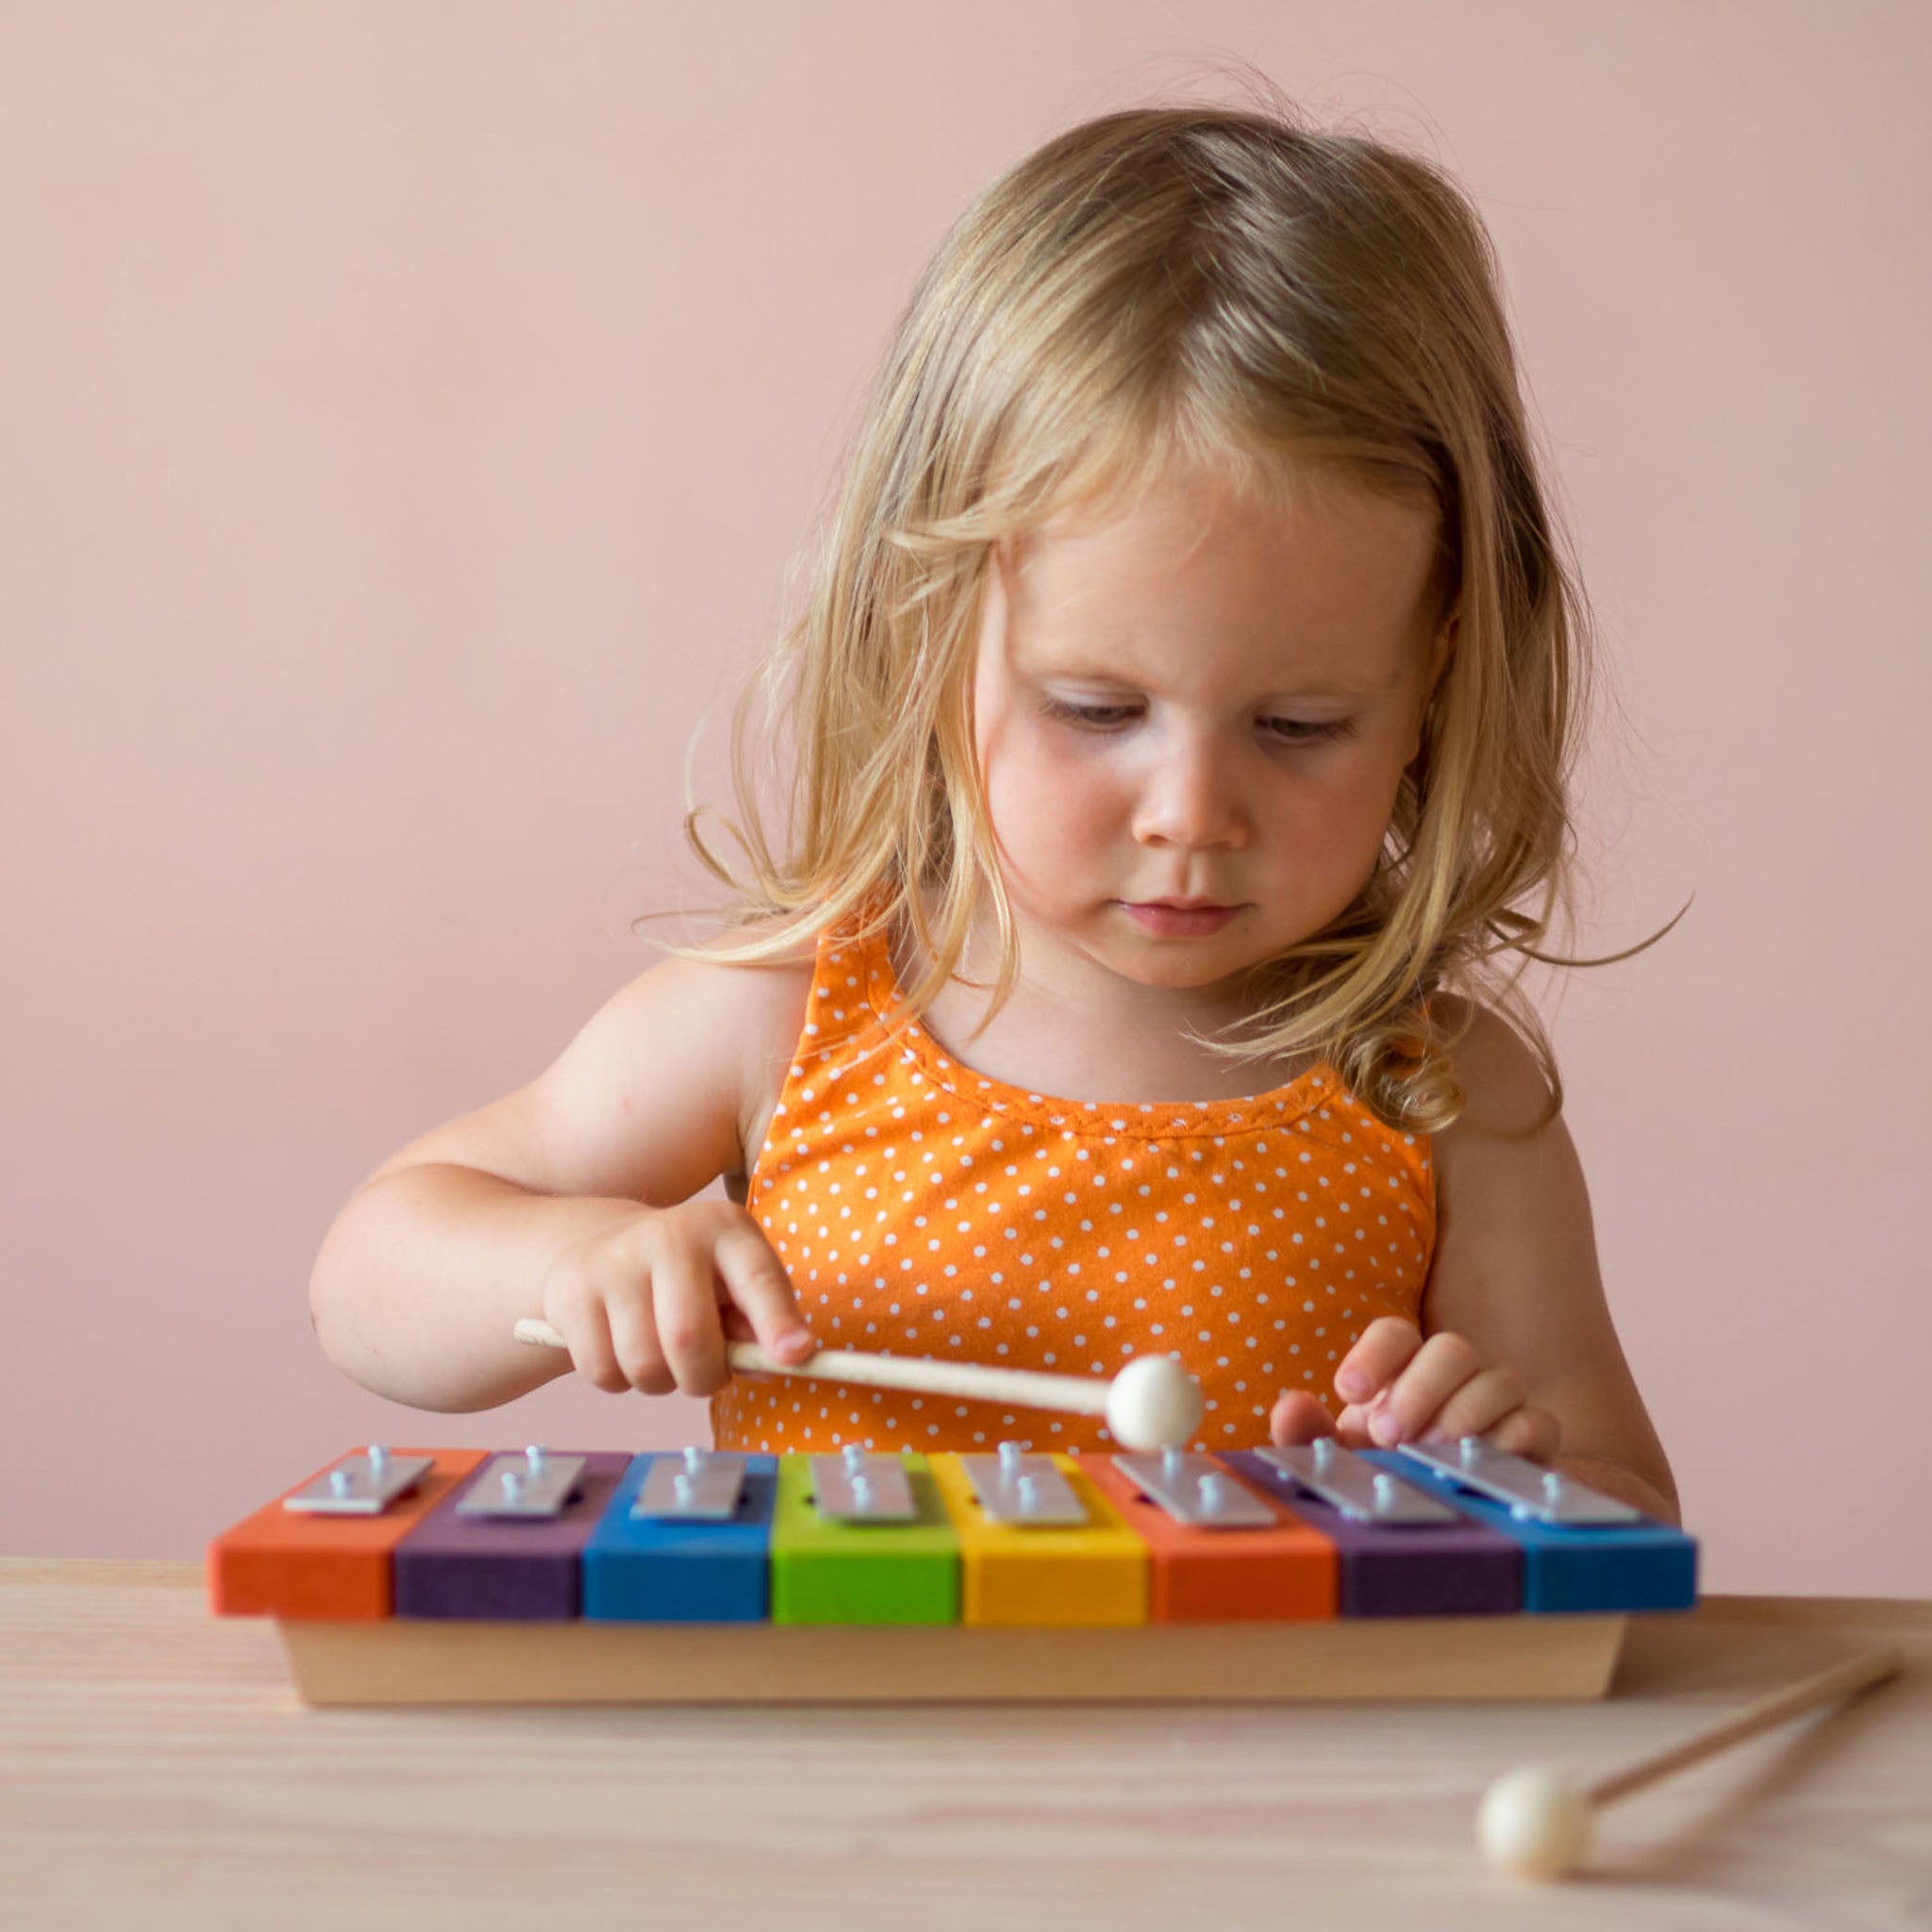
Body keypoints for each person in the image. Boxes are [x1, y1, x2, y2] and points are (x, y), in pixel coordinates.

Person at [308, 96, 1679, 1523]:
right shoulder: (785, 1019)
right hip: (829, 1732)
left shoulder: (1445, 1095)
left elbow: (1632, 1508)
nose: (1192, 814)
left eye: (1300, 727)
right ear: (926, 631)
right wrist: (564, 1267)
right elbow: (364, 1283)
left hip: (1257, 1744)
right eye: (1095, 711)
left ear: (1437, 664)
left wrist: (1502, 1475)